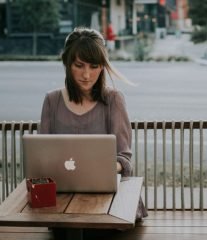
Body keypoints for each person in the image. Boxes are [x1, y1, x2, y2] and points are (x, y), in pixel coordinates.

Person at [39, 27, 148, 220]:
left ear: (102, 66)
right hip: (62, 200)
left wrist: (96, 168)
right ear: (67, 63)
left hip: (111, 203)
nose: (86, 75)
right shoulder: (51, 100)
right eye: (79, 65)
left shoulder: (113, 99)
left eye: (94, 66)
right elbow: (41, 155)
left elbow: (124, 159)